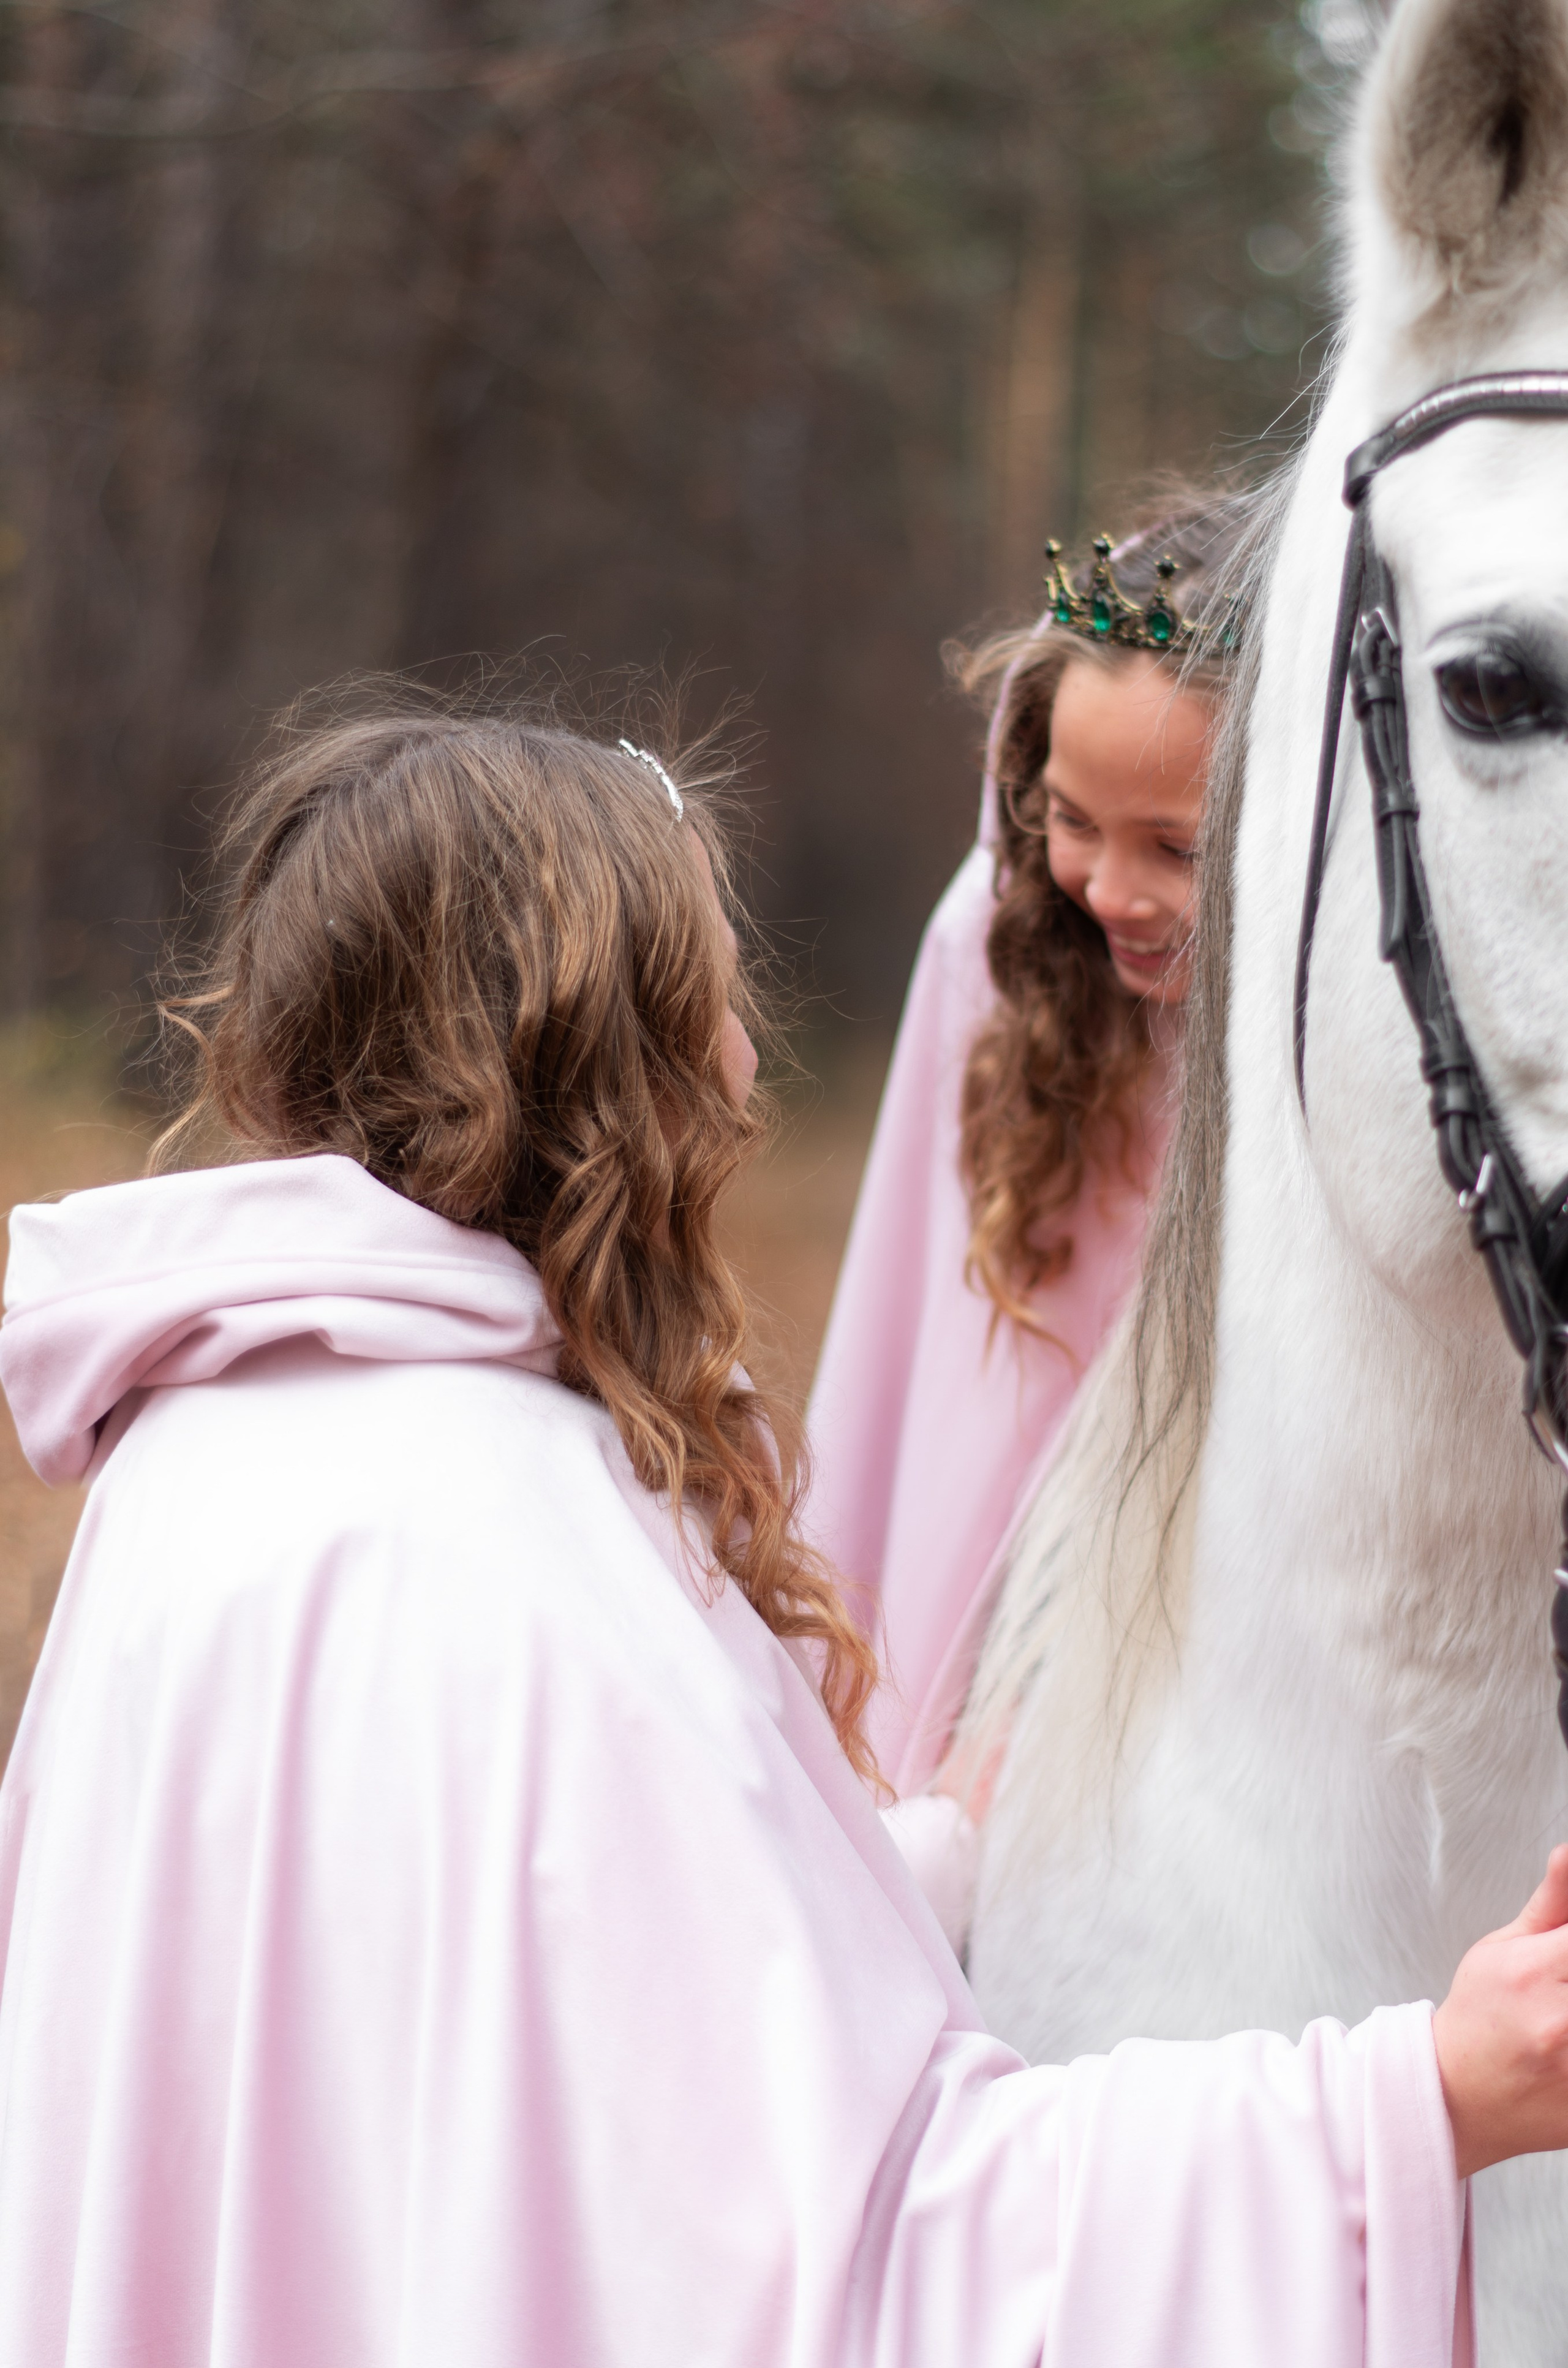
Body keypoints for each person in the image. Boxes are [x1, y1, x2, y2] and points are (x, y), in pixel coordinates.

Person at [2, 689, 1567, 2368]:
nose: (752, 1059)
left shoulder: (207, 1453)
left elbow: (491, 2028)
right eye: (716, 990)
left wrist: (927, 1861)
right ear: (606, 1065)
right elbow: (877, 2258)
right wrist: (1424, 2098)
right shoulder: (538, 1580)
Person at [808, 507, 1238, 1799]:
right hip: (1012, 1646)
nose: (1111, 891)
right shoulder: (998, 952)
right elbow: (930, 1352)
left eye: (1178, 847)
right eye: (1071, 821)